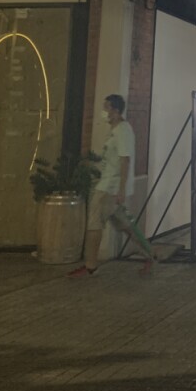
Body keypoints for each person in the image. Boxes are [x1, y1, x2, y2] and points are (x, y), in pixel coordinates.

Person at [69, 95, 138, 277]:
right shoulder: (115, 130)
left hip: (110, 187)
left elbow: (125, 160)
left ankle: (90, 265)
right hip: (109, 184)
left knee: (94, 223)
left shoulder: (123, 131)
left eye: (106, 107)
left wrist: (121, 189)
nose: (103, 111)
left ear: (115, 110)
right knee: (124, 224)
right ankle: (151, 254)